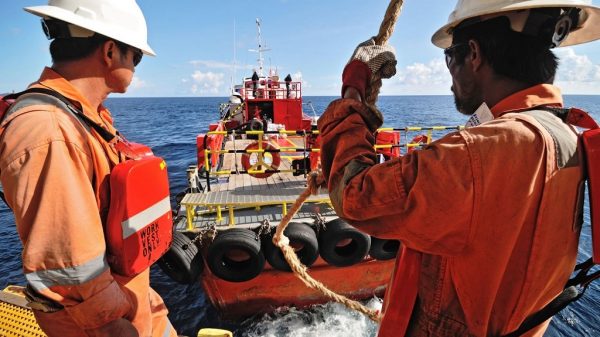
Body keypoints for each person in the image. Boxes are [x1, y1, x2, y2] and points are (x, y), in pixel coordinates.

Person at [318, 1, 600, 336]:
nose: (450, 73)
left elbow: (355, 195)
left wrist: (354, 85)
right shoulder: (567, 136)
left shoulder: (480, 151)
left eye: (450, 56)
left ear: (475, 54)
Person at [0, 1, 178, 336]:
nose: (137, 67)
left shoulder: (85, 118)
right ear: (111, 51)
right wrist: (112, 327)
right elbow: (70, 268)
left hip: (135, 304)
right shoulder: (49, 131)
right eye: (136, 56)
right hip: (107, 325)